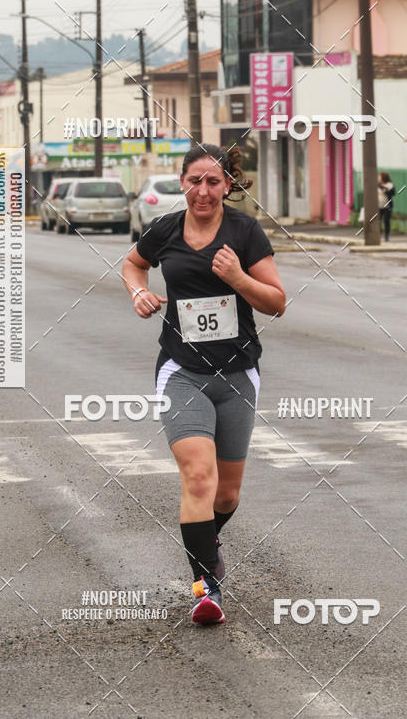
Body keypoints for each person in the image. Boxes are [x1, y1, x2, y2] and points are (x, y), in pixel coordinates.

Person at [123, 143, 286, 625]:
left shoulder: (244, 231)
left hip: (237, 373)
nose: (204, 191)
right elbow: (133, 264)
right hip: (182, 371)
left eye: (214, 182)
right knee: (198, 475)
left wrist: (237, 276)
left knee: (226, 494)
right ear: (182, 183)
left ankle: (207, 542)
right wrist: (138, 292)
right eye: (196, 181)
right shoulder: (165, 230)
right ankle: (204, 586)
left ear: (227, 186)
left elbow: (277, 302)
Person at [377, 171, 396, 242]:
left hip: (387, 205)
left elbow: (393, 193)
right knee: (378, 221)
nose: (378, 178)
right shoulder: (378, 185)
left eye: (379, 177)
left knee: (386, 221)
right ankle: (379, 234)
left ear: (383, 178)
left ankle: (386, 236)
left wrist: (386, 191)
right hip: (378, 205)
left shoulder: (389, 185)